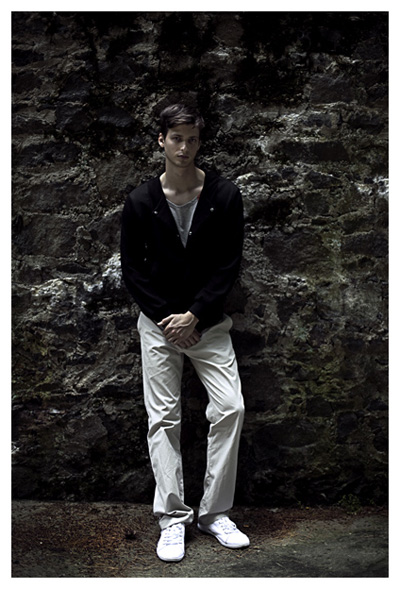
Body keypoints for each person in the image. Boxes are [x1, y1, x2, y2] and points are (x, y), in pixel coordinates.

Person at [120, 103, 249, 562]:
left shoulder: (224, 195)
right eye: (176, 138)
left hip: (207, 324)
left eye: (192, 139)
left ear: (199, 142)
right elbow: (133, 270)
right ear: (161, 140)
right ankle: (173, 518)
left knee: (231, 407)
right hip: (159, 326)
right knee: (163, 418)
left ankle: (214, 514)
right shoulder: (140, 201)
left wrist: (194, 315)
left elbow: (227, 265)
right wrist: (168, 320)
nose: (184, 147)